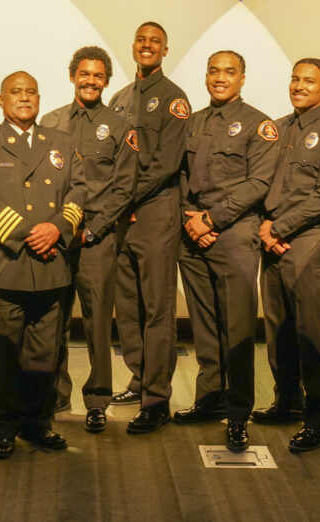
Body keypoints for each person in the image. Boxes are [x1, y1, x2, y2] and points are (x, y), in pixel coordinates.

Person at [0, 71, 87, 458]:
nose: (25, 98)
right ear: (1, 100)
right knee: (3, 355)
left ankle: (38, 423)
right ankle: (2, 427)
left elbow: (79, 189)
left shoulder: (62, 143)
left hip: (51, 269)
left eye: (31, 92)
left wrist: (59, 227)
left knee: (45, 355)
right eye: (16, 92)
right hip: (7, 265)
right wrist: (34, 234)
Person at [175, 50, 279, 451]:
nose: (221, 78)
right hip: (193, 234)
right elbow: (180, 174)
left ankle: (238, 414)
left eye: (229, 72)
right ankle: (210, 398)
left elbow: (259, 184)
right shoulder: (194, 121)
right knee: (204, 325)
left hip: (233, 235)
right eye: (214, 71)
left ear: (242, 78)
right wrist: (189, 217)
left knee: (236, 330)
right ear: (206, 77)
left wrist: (211, 220)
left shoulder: (260, 124)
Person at [254, 58, 320, 453]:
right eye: (295, 79)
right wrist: (268, 228)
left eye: (309, 81)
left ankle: (318, 418)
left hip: (311, 242)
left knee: (311, 333)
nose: (299, 85)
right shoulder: (277, 129)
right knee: (278, 329)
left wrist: (277, 228)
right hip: (275, 242)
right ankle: (287, 401)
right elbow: (261, 184)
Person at [41, 46, 137, 433]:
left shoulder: (118, 126)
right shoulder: (51, 121)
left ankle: (98, 400)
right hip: (58, 239)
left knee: (98, 323)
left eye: (98, 76)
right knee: (54, 321)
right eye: (85, 74)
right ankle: (56, 393)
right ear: (72, 76)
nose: (91, 81)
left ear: (107, 81)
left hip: (97, 238)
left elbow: (124, 186)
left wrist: (96, 228)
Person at [107, 22, 191, 433]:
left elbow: (167, 163)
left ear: (165, 50)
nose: (147, 45)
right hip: (123, 216)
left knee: (157, 307)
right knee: (127, 304)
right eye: (141, 39)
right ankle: (139, 377)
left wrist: (128, 199)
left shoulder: (174, 99)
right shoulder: (120, 99)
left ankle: (156, 398)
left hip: (155, 212)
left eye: (154, 41)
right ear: (133, 45)